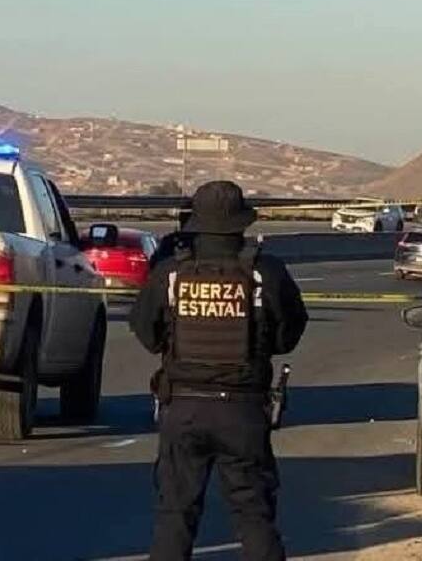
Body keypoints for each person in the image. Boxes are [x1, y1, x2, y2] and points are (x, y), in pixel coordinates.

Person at [130, 181, 308, 561]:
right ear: (241, 223)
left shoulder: (170, 273)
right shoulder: (266, 272)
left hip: (183, 408)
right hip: (243, 411)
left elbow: (146, 331)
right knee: (253, 514)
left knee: (175, 513)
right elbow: (289, 333)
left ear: (196, 222)